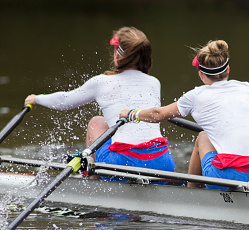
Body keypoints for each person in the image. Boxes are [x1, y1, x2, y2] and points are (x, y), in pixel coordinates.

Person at [120, 40, 249, 189]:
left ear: (200, 74)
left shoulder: (195, 96)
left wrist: (132, 114)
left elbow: (158, 114)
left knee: (203, 136)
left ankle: (193, 196)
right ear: (228, 69)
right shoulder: (247, 88)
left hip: (227, 177)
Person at [24, 26, 175, 179]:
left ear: (118, 54)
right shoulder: (154, 82)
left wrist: (36, 98)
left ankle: (93, 183)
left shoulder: (102, 82)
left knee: (96, 122)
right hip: (163, 164)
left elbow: (64, 101)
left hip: (121, 165)